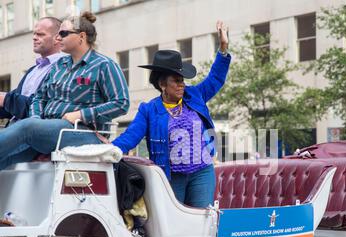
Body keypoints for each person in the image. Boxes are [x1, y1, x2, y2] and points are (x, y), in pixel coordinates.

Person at [112, 21, 231, 208]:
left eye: (182, 80)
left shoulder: (195, 95)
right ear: (162, 84)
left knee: (202, 221)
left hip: (202, 172)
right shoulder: (149, 110)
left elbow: (215, 78)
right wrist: (110, 150)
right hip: (170, 175)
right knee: (175, 227)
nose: (181, 84)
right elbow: (130, 137)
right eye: (176, 81)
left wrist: (223, 49)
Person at [0, 12, 130, 170]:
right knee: (6, 160)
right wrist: (36, 121)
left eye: (63, 33)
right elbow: (39, 98)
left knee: (26, 128)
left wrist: (81, 114)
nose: (58, 38)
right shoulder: (59, 65)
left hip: (82, 131)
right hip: (50, 129)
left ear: (81, 36)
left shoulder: (104, 65)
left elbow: (121, 103)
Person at [0, 17, 65, 123]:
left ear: (57, 38)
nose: (34, 38)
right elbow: (11, 107)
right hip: (16, 128)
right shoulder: (32, 70)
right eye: (34, 34)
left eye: (40, 34)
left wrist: (5, 99)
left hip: (34, 131)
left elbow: (43, 108)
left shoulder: (63, 68)